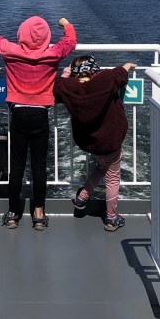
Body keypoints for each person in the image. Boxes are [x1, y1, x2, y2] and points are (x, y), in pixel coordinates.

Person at [0, 16, 77, 231]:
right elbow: (70, 41)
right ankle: (39, 214)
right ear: (46, 36)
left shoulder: (10, 50)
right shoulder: (53, 53)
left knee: (17, 166)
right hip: (40, 116)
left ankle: (12, 214)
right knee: (39, 167)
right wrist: (66, 24)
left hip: (19, 115)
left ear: (21, 34)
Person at [54, 54, 137, 232]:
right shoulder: (106, 80)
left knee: (101, 167)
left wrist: (66, 73)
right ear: (94, 71)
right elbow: (119, 74)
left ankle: (82, 198)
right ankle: (111, 218)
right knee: (112, 178)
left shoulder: (69, 87)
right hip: (110, 140)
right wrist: (128, 65)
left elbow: (58, 86)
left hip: (90, 142)